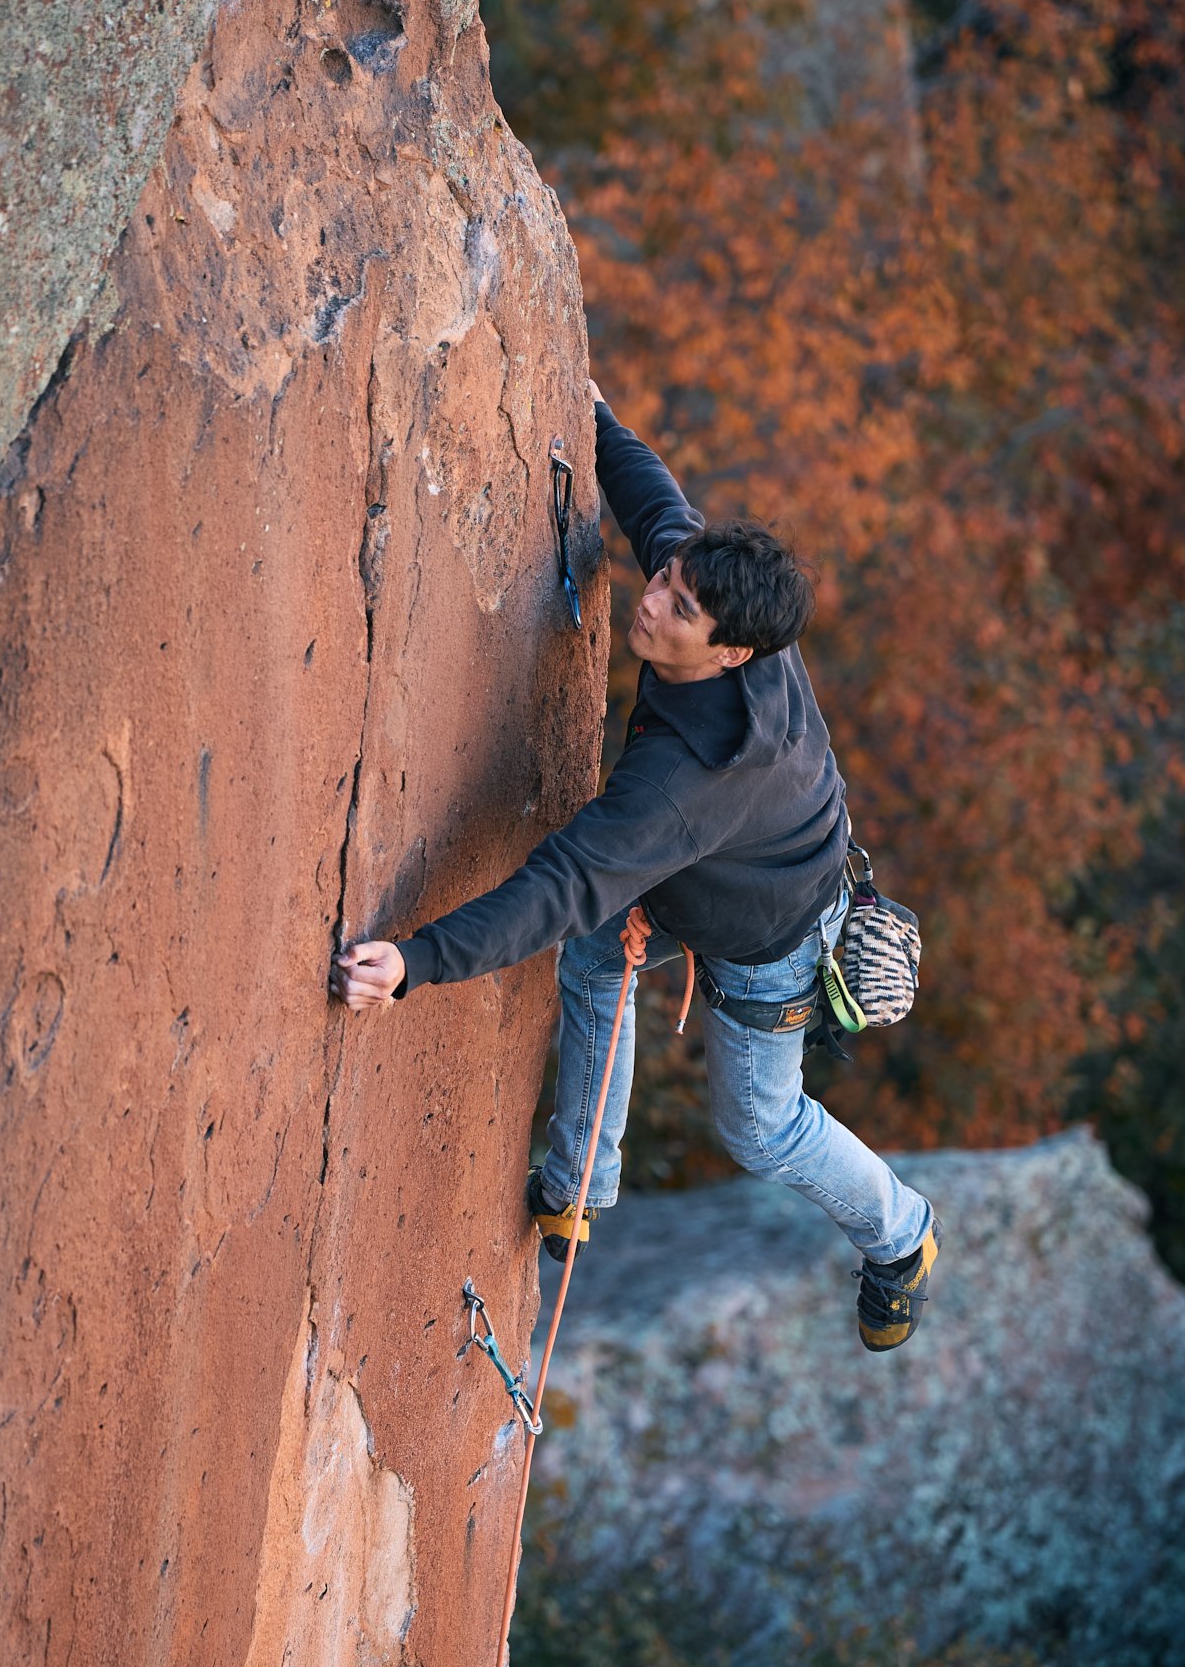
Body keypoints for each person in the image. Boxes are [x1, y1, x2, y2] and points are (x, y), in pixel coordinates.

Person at [331, 386, 940, 1352]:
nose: (651, 600)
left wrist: (415, 963)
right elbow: (657, 504)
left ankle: (901, 1237)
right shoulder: (725, 606)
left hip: (772, 946)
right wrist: (597, 414)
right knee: (596, 956)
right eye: (664, 580)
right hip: (744, 861)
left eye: (678, 607)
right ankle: (576, 1188)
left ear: (730, 650)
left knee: (761, 1129)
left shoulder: (683, 783)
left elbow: (561, 884)